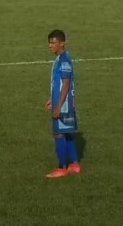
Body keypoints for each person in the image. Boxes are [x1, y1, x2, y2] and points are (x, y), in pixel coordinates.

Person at [45, 29, 81, 178]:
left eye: (53, 43)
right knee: (68, 134)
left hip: (63, 106)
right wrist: (51, 99)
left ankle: (61, 168)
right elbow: (59, 84)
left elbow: (65, 84)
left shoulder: (64, 60)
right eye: (49, 43)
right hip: (65, 104)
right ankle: (74, 165)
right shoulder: (62, 58)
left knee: (59, 134)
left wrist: (58, 106)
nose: (50, 46)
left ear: (62, 43)